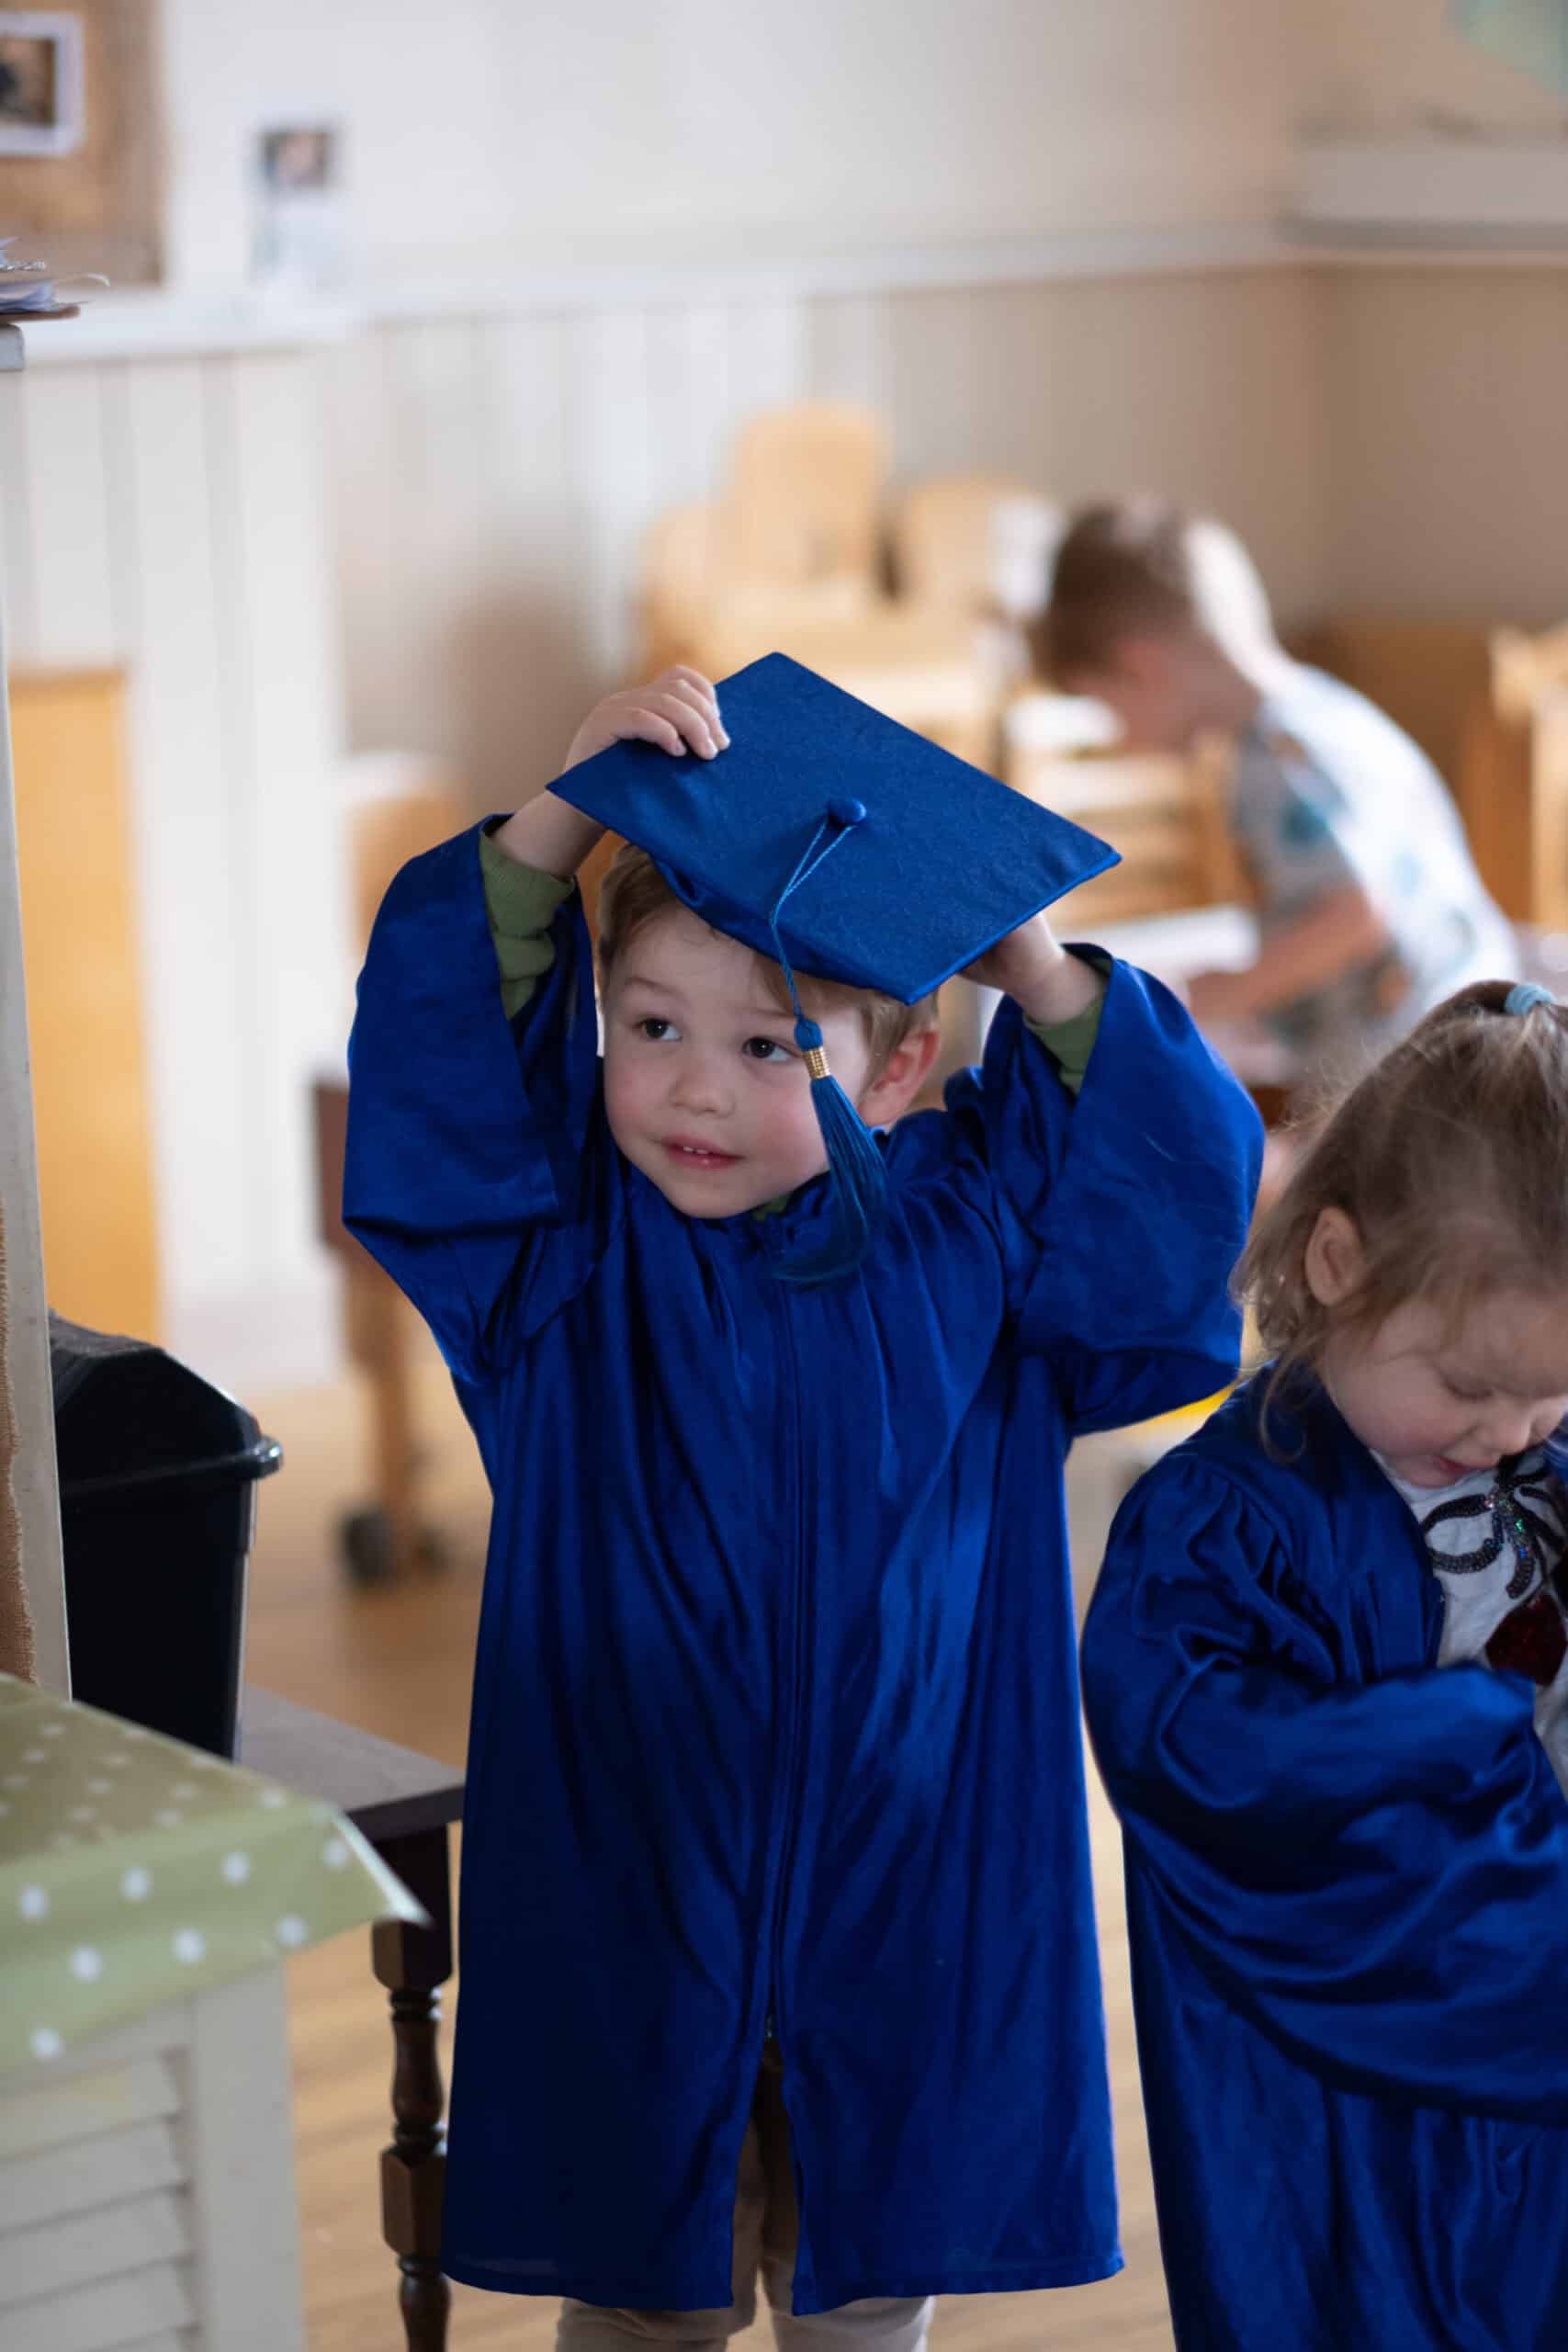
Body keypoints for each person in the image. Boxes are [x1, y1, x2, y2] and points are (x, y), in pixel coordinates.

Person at [344, 653, 1262, 2346]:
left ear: (906, 1066)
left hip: (910, 1887)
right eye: (652, 1028)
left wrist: (1035, 963)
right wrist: (560, 822)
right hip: (636, 1877)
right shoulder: (557, 1258)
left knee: (866, 2295)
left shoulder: (981, 1251)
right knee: (637, 2305)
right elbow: (448, 1066)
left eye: (772, 1045)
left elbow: (1159, 1194)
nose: (696, 1086)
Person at [1081, 978, 1568, 2351]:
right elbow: (1200, 1763)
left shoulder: (1543, 1464)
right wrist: (1464, 1731)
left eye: (1549, 1392)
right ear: (1337, 1265)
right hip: (1344, 2097)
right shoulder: (1219, 1522)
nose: (1505, 1433)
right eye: (1470, 1385)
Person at [1040, 497, 1517, 1091]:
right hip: (1467, 1021)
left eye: (1104, 706)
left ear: (1140, 667)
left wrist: (1217, 995)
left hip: (1408, 1062)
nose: (1118, 736)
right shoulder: (1325, 709)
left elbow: (1355, 913)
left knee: (1270, 1175)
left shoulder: (1271, 756)